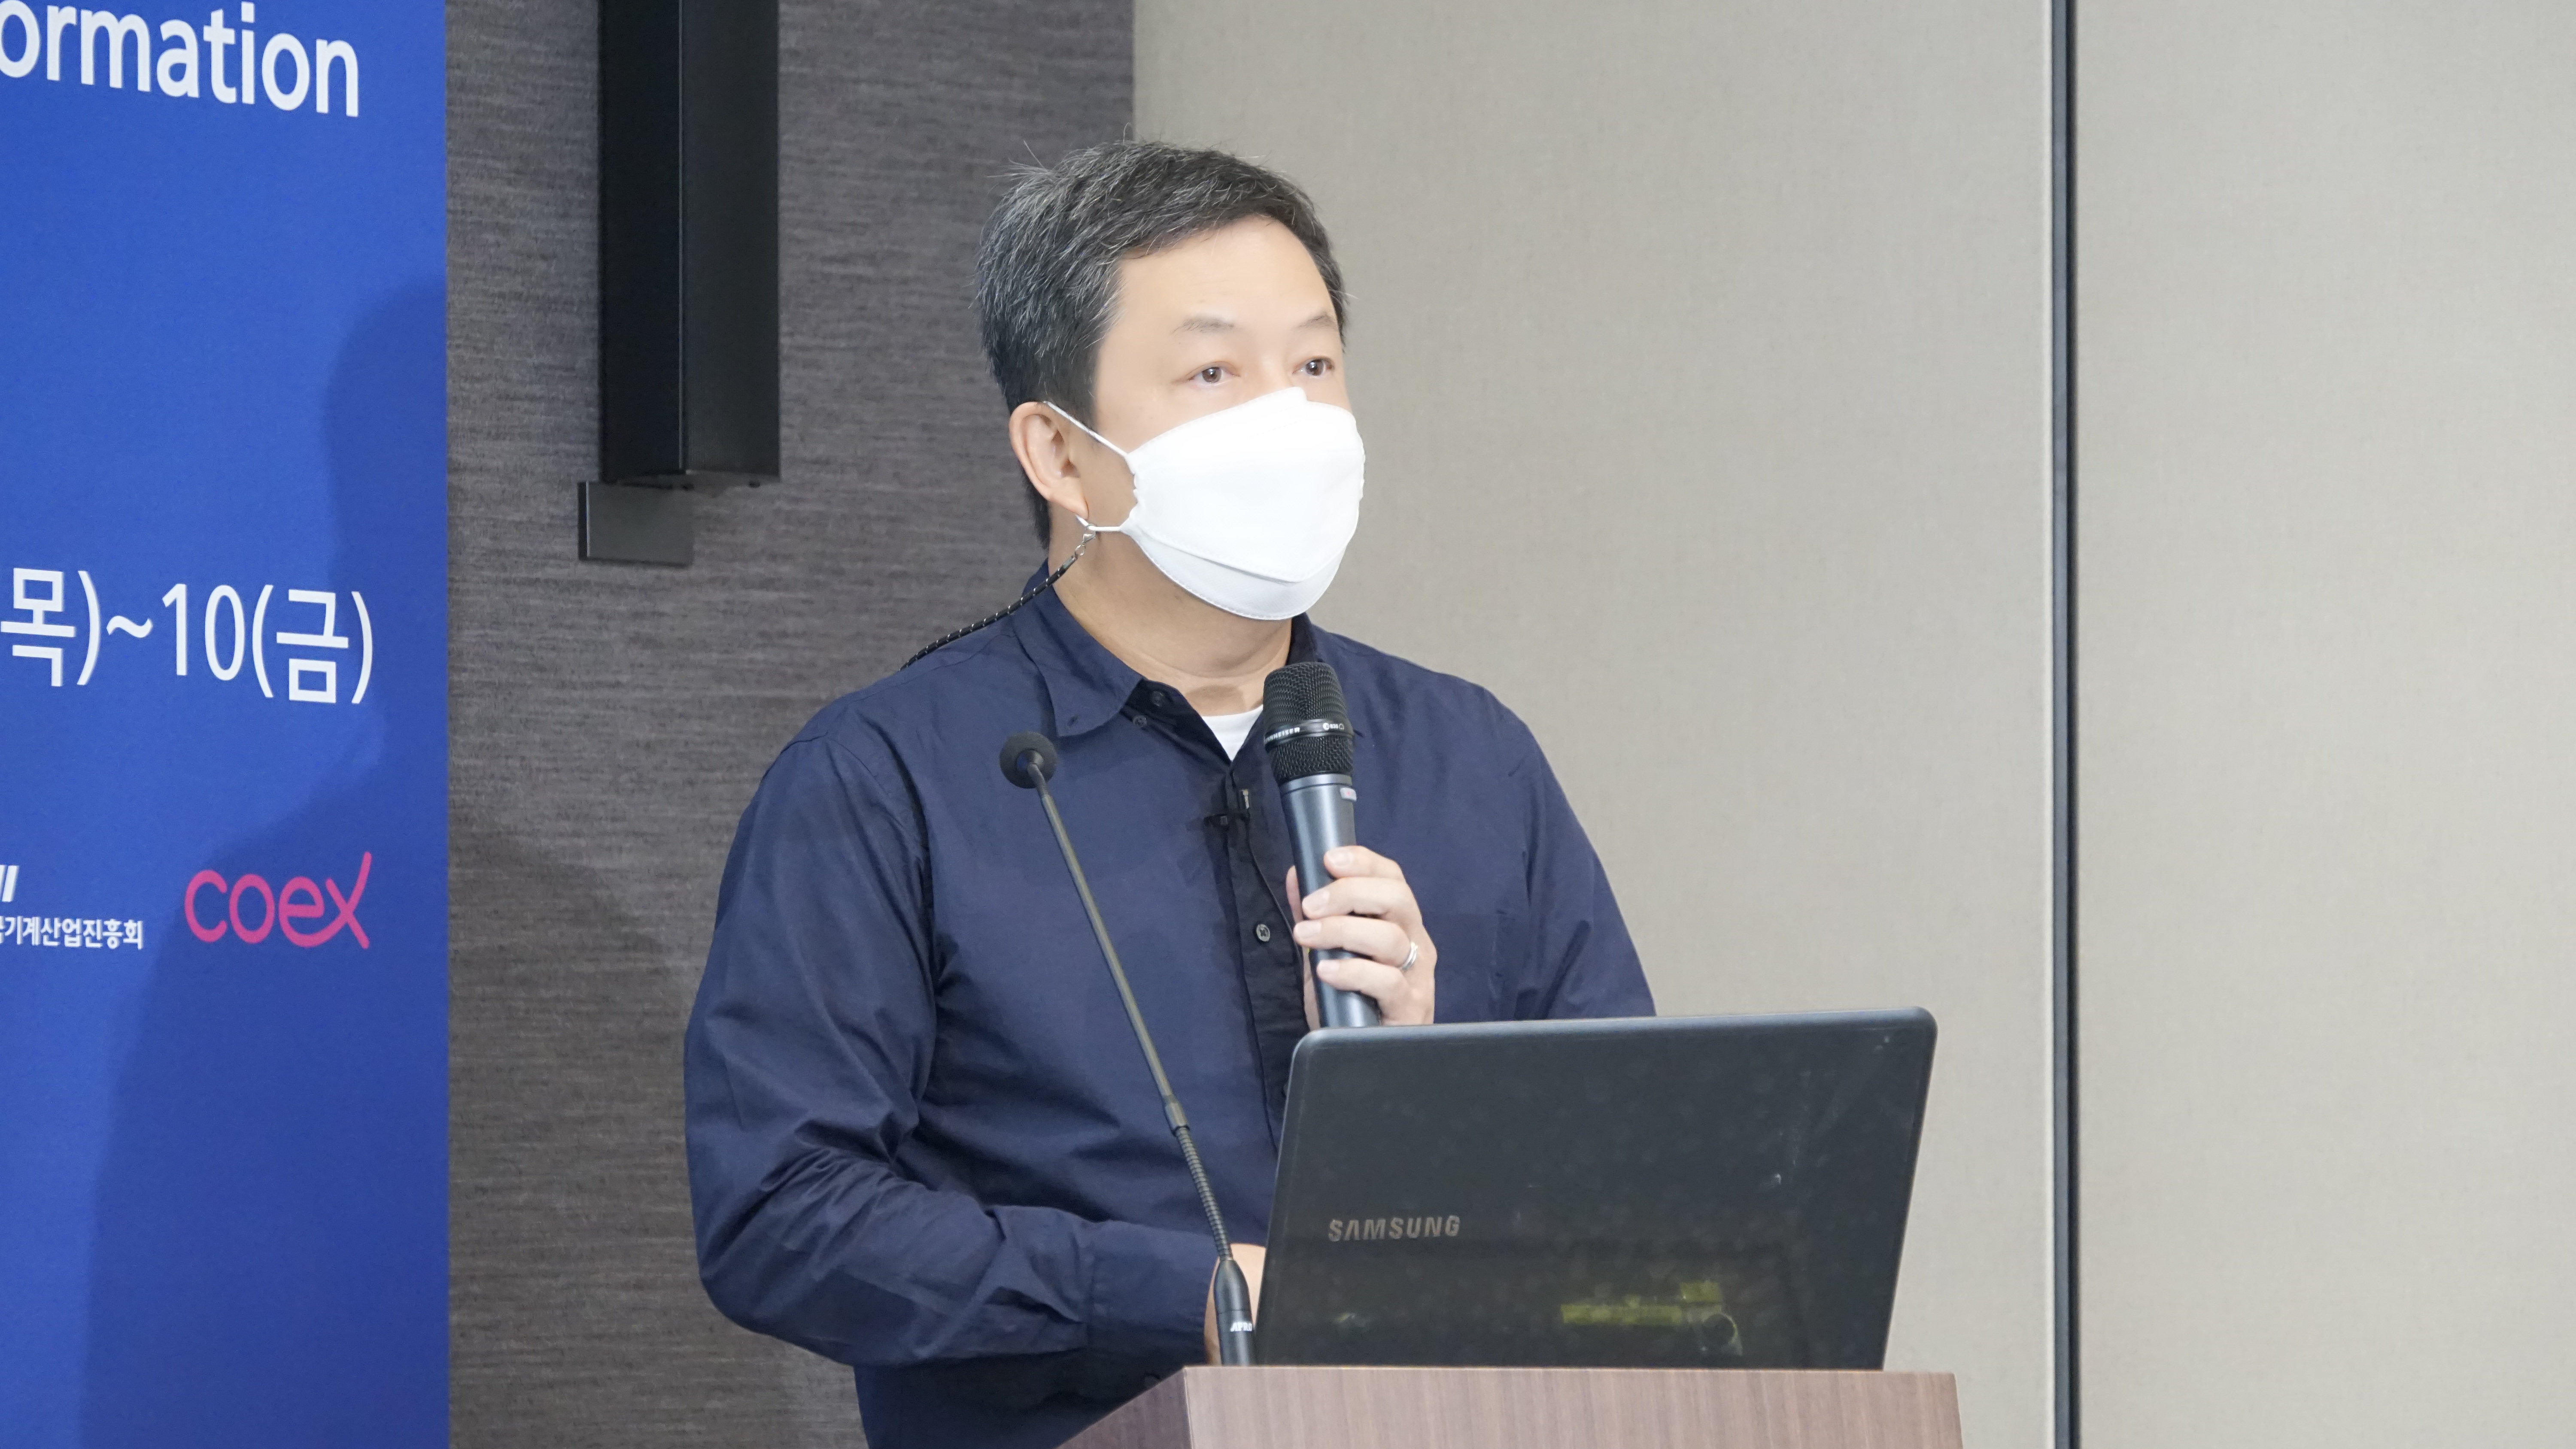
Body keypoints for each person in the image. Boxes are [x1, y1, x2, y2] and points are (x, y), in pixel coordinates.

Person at [684, 141, 1654, 1449]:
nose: (1289, 422)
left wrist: (1438, 1090)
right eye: (1215, 375)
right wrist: (1183, 1298)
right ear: (1059, 453)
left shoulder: (1470, 757)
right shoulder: (886, 781)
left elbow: (1638, 1197)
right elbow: (782, 1214)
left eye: (1315, 368)